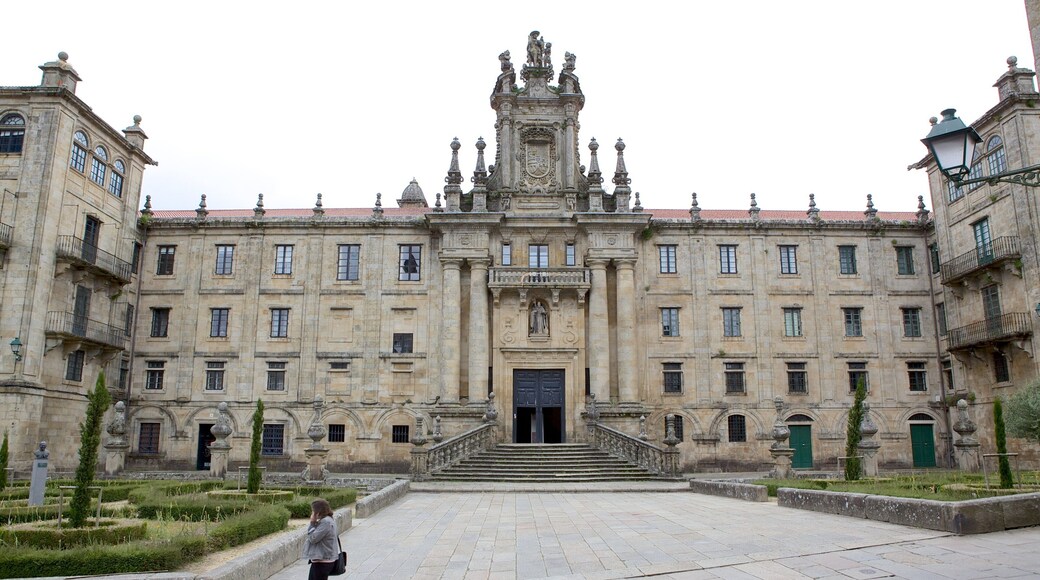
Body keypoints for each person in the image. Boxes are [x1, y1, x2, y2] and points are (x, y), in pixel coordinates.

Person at [303, 498, 339, 580]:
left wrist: (312, 523)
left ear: (318, 512)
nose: (312, 513)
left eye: (313, 511)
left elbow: (313, 538)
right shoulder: (328, 520)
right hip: (323, 561)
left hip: (322, 562)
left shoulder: (326, 522)